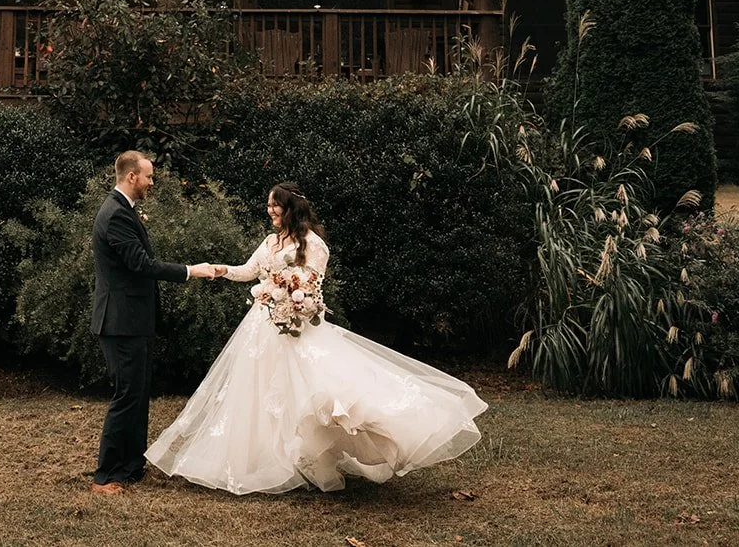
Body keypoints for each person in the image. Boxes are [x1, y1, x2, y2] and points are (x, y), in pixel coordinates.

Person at [146, 181, 488, 494]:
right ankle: (265, 457)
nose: (269, 212)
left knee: (308, 393)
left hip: (295, 328)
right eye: (267, 207)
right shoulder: (270, 242)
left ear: (290, 207)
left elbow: (312, 287)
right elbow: (250, 271)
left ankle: (312, 452)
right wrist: (220, 270)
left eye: (274, 206)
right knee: (260, 396)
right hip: (261, 327)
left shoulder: (313, 243)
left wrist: (291, 300)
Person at [90, 150, 221, 496]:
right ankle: (105, 476)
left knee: (138, 395)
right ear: (131, 176)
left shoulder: (123, 211)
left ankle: (132, 466)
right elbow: (141, 265)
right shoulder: (115, 215)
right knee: (126, 396)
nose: (151, 182)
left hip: (133, 321)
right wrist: (192, 271)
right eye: (148, 176)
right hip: (120, 323)